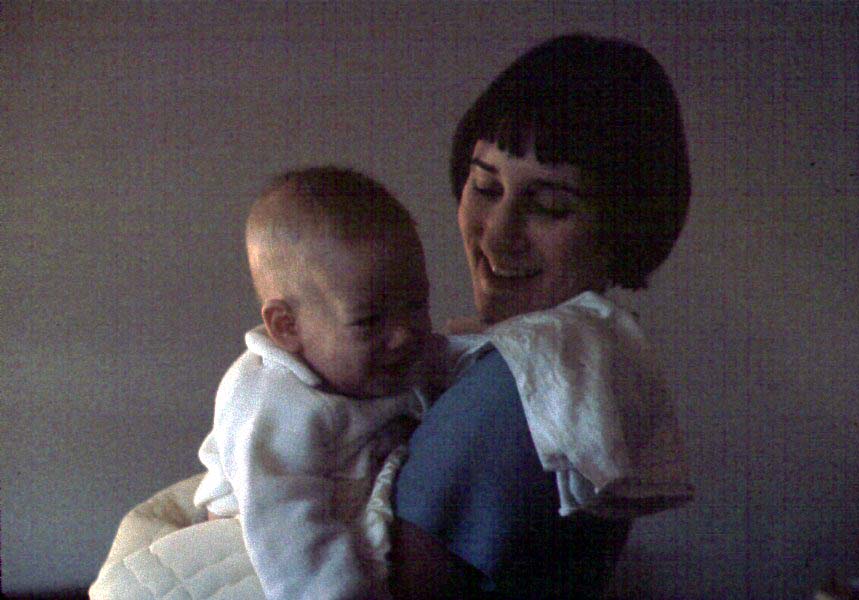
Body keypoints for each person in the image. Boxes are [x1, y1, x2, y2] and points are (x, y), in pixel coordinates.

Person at [390, 34, 692, 599]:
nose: (497, 234)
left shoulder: (527, 380)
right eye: (486, 186)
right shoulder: (601, 360)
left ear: (622, 226)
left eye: (550, 206)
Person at [193, 167, 445, 600]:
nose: (404, 334)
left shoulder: (389, 360)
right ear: (287, 327)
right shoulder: (270, 400)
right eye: (368, 321)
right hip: (264, 554)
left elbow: (452, 359)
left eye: (416, 305)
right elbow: (287, 529)